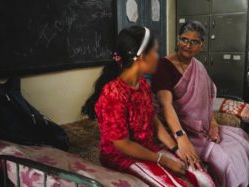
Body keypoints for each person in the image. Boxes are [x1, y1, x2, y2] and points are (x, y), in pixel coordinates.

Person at [83, 25, 215, 187]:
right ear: (140, 57)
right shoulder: (114, 93)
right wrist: (163, 160)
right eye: (154, 52)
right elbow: (123, 144)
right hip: (123, 157)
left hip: (148, 148)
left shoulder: (143, 84)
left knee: (202, 177)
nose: (158, 57)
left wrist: (176, 149)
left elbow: (153, 120)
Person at [151, 21, 249, 187]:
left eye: (194, 41)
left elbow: (206, 101)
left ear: (201, 45)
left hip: (201, 128)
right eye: (184, 39)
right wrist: (181, 137)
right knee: (225, 159)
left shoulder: (197, 66)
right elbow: (166, 105)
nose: (187, 45)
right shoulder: (164, 66)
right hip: (176, 128)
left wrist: (212, 123)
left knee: (241, 140)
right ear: (177, 40)